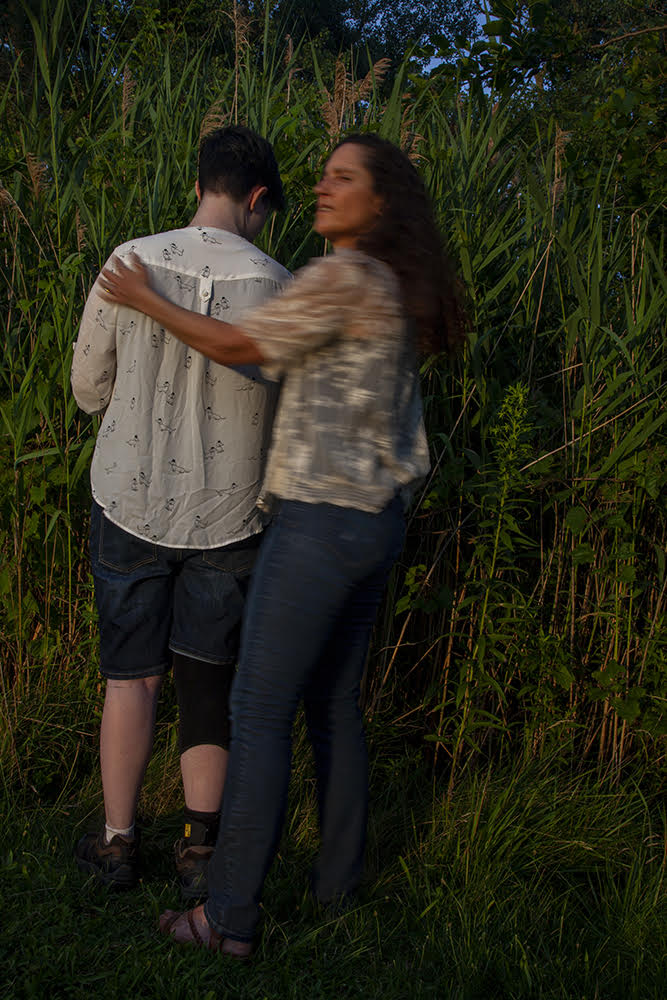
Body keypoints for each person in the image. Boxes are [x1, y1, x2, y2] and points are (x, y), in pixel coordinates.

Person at [98, 133, 467, 955]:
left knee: (258, 710)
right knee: (332, 707)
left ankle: (226, 916)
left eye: (344, 178)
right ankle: (337, 888)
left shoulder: (340, 275)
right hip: (374, 523)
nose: (323, 186)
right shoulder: (390, 287)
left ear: (382, 202)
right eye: (324, 174)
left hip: (316, 523)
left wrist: (146, 297)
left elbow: (241, 347)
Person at [70, 126, 289, 897]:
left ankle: (117, 842)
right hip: (231, 511)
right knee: (208, 677)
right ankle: (200, 851)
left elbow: (87, 386)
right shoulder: (279, 282)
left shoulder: (129, 261)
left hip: (128, 497)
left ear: (200, 181)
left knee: (129, 679)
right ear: (258, 198)